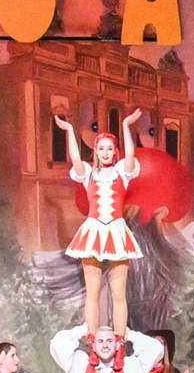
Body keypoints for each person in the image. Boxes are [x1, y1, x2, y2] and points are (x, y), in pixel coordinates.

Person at [55, 108, 148, 336]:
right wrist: (69, 130)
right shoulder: (88, 173)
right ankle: (92, 341)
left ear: (115, 151)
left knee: (119, 294)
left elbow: (130, 156)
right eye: (101, 149)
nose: (105, 153)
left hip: (116, 230)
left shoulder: (122, 172)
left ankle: (120, 342)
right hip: (94, 230)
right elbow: (76, 159)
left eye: (109, 149)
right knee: (93, 293)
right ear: (95, 151)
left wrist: (125, 125)